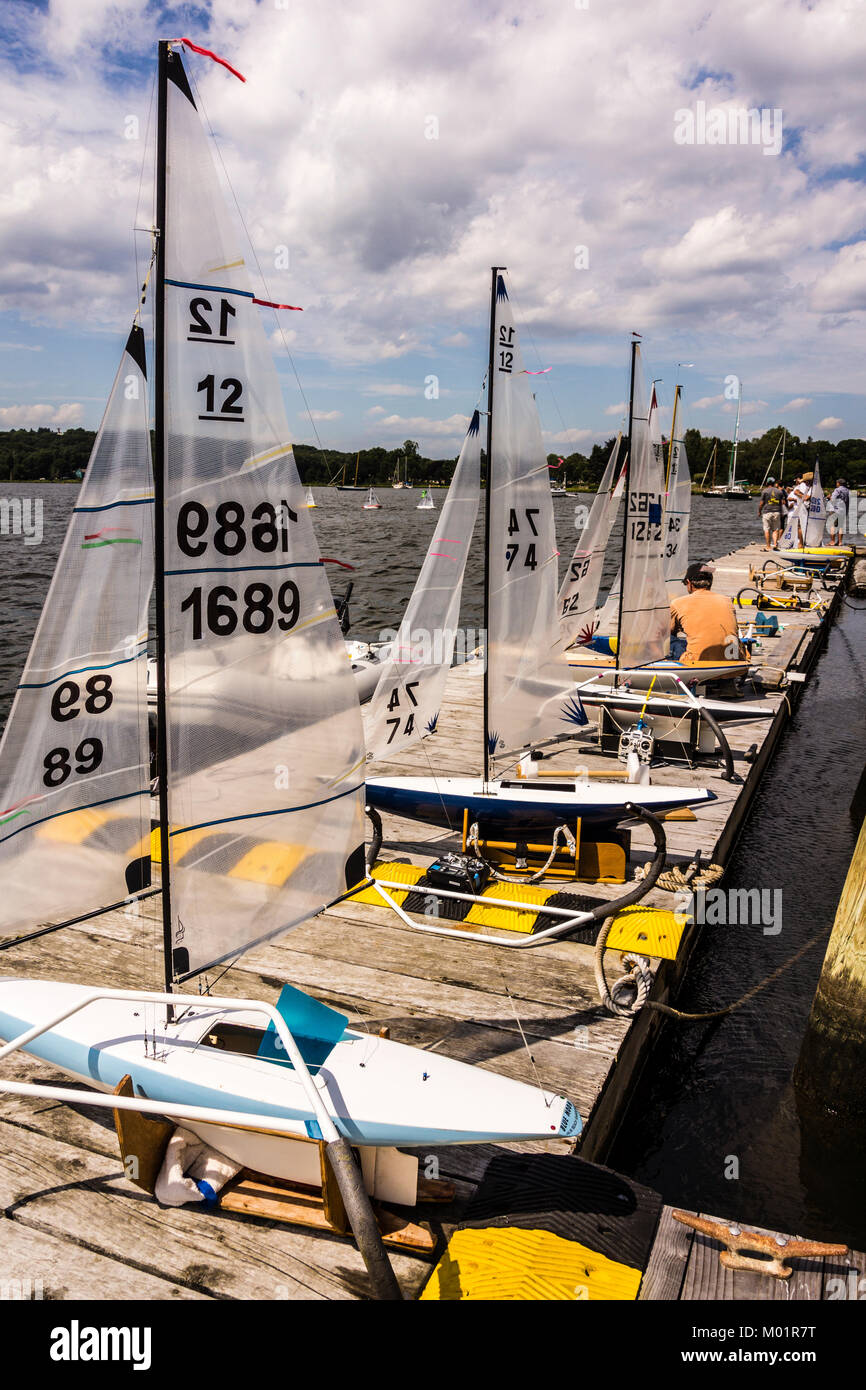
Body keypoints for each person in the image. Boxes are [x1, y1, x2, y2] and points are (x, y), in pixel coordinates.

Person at [670, 561, 744, 665]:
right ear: (711, 582)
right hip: (732, 665)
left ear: (689, 583)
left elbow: (668, 632)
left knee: (670, 641)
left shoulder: (678, 603)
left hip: (698, 666)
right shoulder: (727, 601)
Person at [758, 475, 786, 549]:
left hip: (767, 512)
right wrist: (782, 512)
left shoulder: (764, 491)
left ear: (767, 483)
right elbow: (782, 503)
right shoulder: (779, 491)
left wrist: (759, 511)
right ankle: (775, 545)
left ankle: (768, 546)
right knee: (775, 530)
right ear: (774, 483)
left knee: (766, 529)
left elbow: (761, 503)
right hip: (777, 512)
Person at [827, 478, 849, 543]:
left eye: (837, 483)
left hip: (835, 510)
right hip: (843, 510)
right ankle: (840, 542)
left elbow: (833, 499)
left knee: (832, 525)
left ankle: (832, 542)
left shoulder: (837, 490)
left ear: (839, 483)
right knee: (841, 526)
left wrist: (829, 497)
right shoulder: (847, 491)